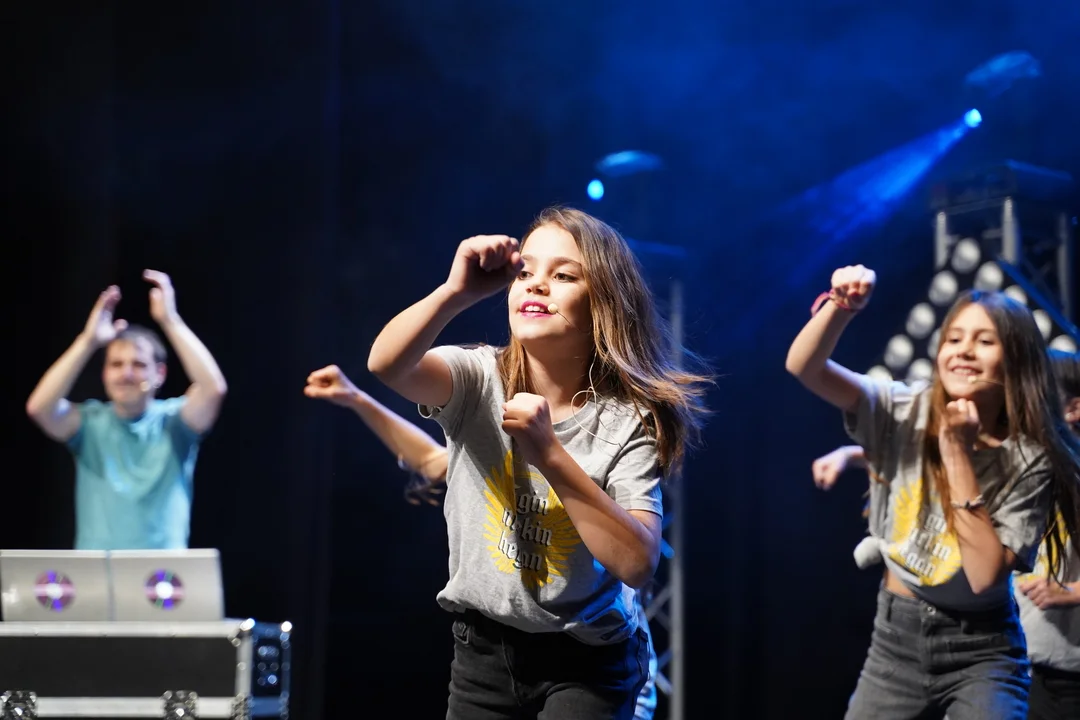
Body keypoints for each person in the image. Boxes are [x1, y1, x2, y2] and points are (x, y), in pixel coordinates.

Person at [366, 206, 709, 719]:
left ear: (603, 304)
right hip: (482, 652)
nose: (537, 285)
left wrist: (548, 453)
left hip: (587, 661)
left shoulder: (626, 420)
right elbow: (387, 364)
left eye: (564, 276)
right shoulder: (477, 378)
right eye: (525, 272)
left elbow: (637, 563)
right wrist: (456, 292)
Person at [786, 264, 1080, 720]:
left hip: (982, 649)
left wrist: (957, 452)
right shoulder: (907, 407)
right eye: (954, 338)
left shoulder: (1030, 458)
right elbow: (805, 368)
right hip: (895, 641)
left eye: (985, 341)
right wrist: (841, 307)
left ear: (1015, 361)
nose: (964, 350)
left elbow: (984, 577)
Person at [304, 363, 661, 718]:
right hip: (494, 651)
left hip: (587, 652)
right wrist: (357, 398)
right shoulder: (503, 458)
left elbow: (636, 559)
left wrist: (549, 452)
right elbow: (430, 459)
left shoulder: (609, 447)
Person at [25, 270, 227, 550]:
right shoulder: (90, 423)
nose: (126, 374)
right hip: (98, 571)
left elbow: (213, 389)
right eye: (116, 364)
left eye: (139, 364)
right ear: (104, 374)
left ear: (160, 374)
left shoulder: (174, 421)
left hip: (162, 573)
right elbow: (40, 408)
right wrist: (88, 341)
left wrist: (170, 320)